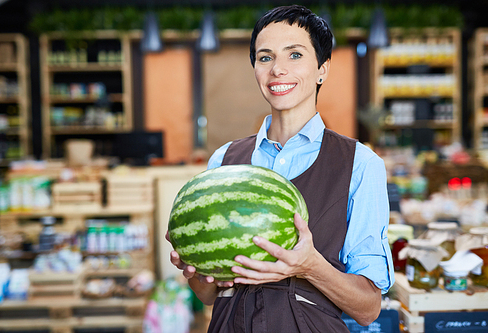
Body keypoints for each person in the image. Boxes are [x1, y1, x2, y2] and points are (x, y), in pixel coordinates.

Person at [168, 5, 394, 332]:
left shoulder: (360, 164)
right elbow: (208, 295)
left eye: (295, 55)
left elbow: (369, 308)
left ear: (322, 69)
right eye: (265, 57)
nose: (278, 69)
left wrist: (311, 266)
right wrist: (195, 270)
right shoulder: (223, 159)